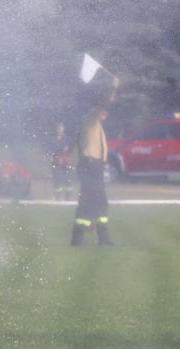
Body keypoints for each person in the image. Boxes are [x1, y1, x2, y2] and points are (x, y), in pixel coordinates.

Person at [71, 75, 118, 246]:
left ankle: (98, 237)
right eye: (102, 111)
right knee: (90, 201)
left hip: (94, 167)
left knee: (97, 201)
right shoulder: (91, 119)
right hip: (90, 165)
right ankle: (81, 238)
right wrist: (113, 86)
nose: (105, 113)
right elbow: (104, 103)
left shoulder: (93, 124)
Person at [50, 121, 74, 201]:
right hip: (56, 162)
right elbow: (51, 150)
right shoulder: (53, 139)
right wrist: (57, 158)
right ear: (56, 129)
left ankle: (68, 197)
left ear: (64, 128)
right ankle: (58, 197)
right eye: (58, 127)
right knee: (57, 180)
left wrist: (68, 156)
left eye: (61, 127)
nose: (60, 129)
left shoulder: (67, 139)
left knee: (68, 180)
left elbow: (71, 149)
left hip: (66, 162)